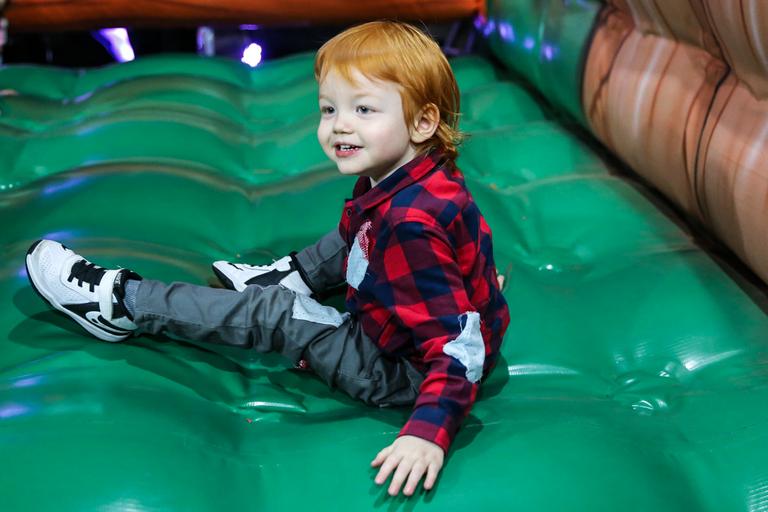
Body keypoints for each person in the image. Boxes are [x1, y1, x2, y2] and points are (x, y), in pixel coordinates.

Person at [24, 21, 510, 497]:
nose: (339, 124)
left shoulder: (409, 225)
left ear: (423, 122)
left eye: (363, 109)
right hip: (421, 314)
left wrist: (428, 432)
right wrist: (476, 288)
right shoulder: (416, 177)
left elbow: (456, 351)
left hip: (401, 370)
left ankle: (122, 304)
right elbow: (459, 244)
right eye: (329, 108)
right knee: (357, 232)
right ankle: (292, 274)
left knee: (274, 312)